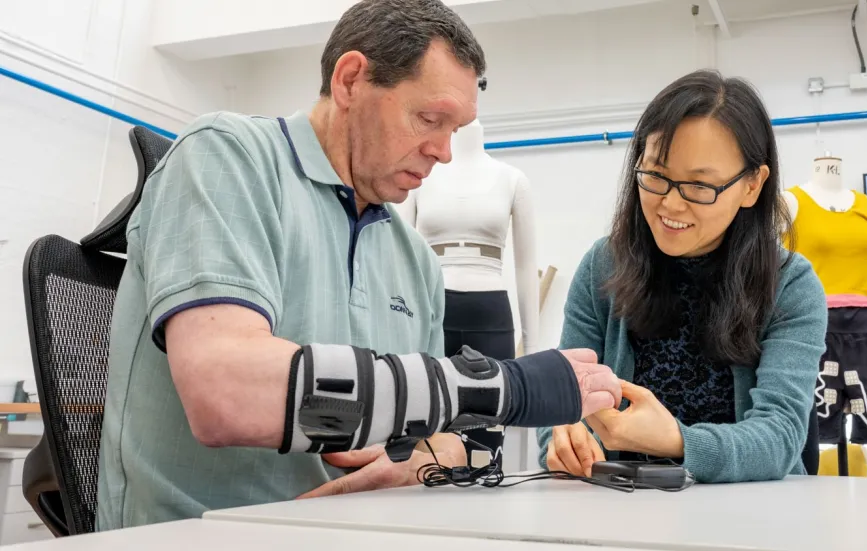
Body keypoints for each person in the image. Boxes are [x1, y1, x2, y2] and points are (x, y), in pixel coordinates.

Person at [95, 0, 622, 531]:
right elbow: (224, 393)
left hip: (351, 533)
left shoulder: (413, 257)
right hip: (197, 534)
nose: (443, 152)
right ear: (349, 81)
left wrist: (431, 459)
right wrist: (499, 386)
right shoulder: (227, 157)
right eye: (429, 118)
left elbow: (433, 431)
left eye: (454, 129)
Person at [537, 70, 828, 484]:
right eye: (655, 175)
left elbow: (780, 438)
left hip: (754, 513)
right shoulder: (604, 265)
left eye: (699, 185)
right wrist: (564, 436)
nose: (670, 204)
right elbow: (561, 404)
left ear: (752, 186)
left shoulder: (789, 285)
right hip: (620, 508)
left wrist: (677, 440)